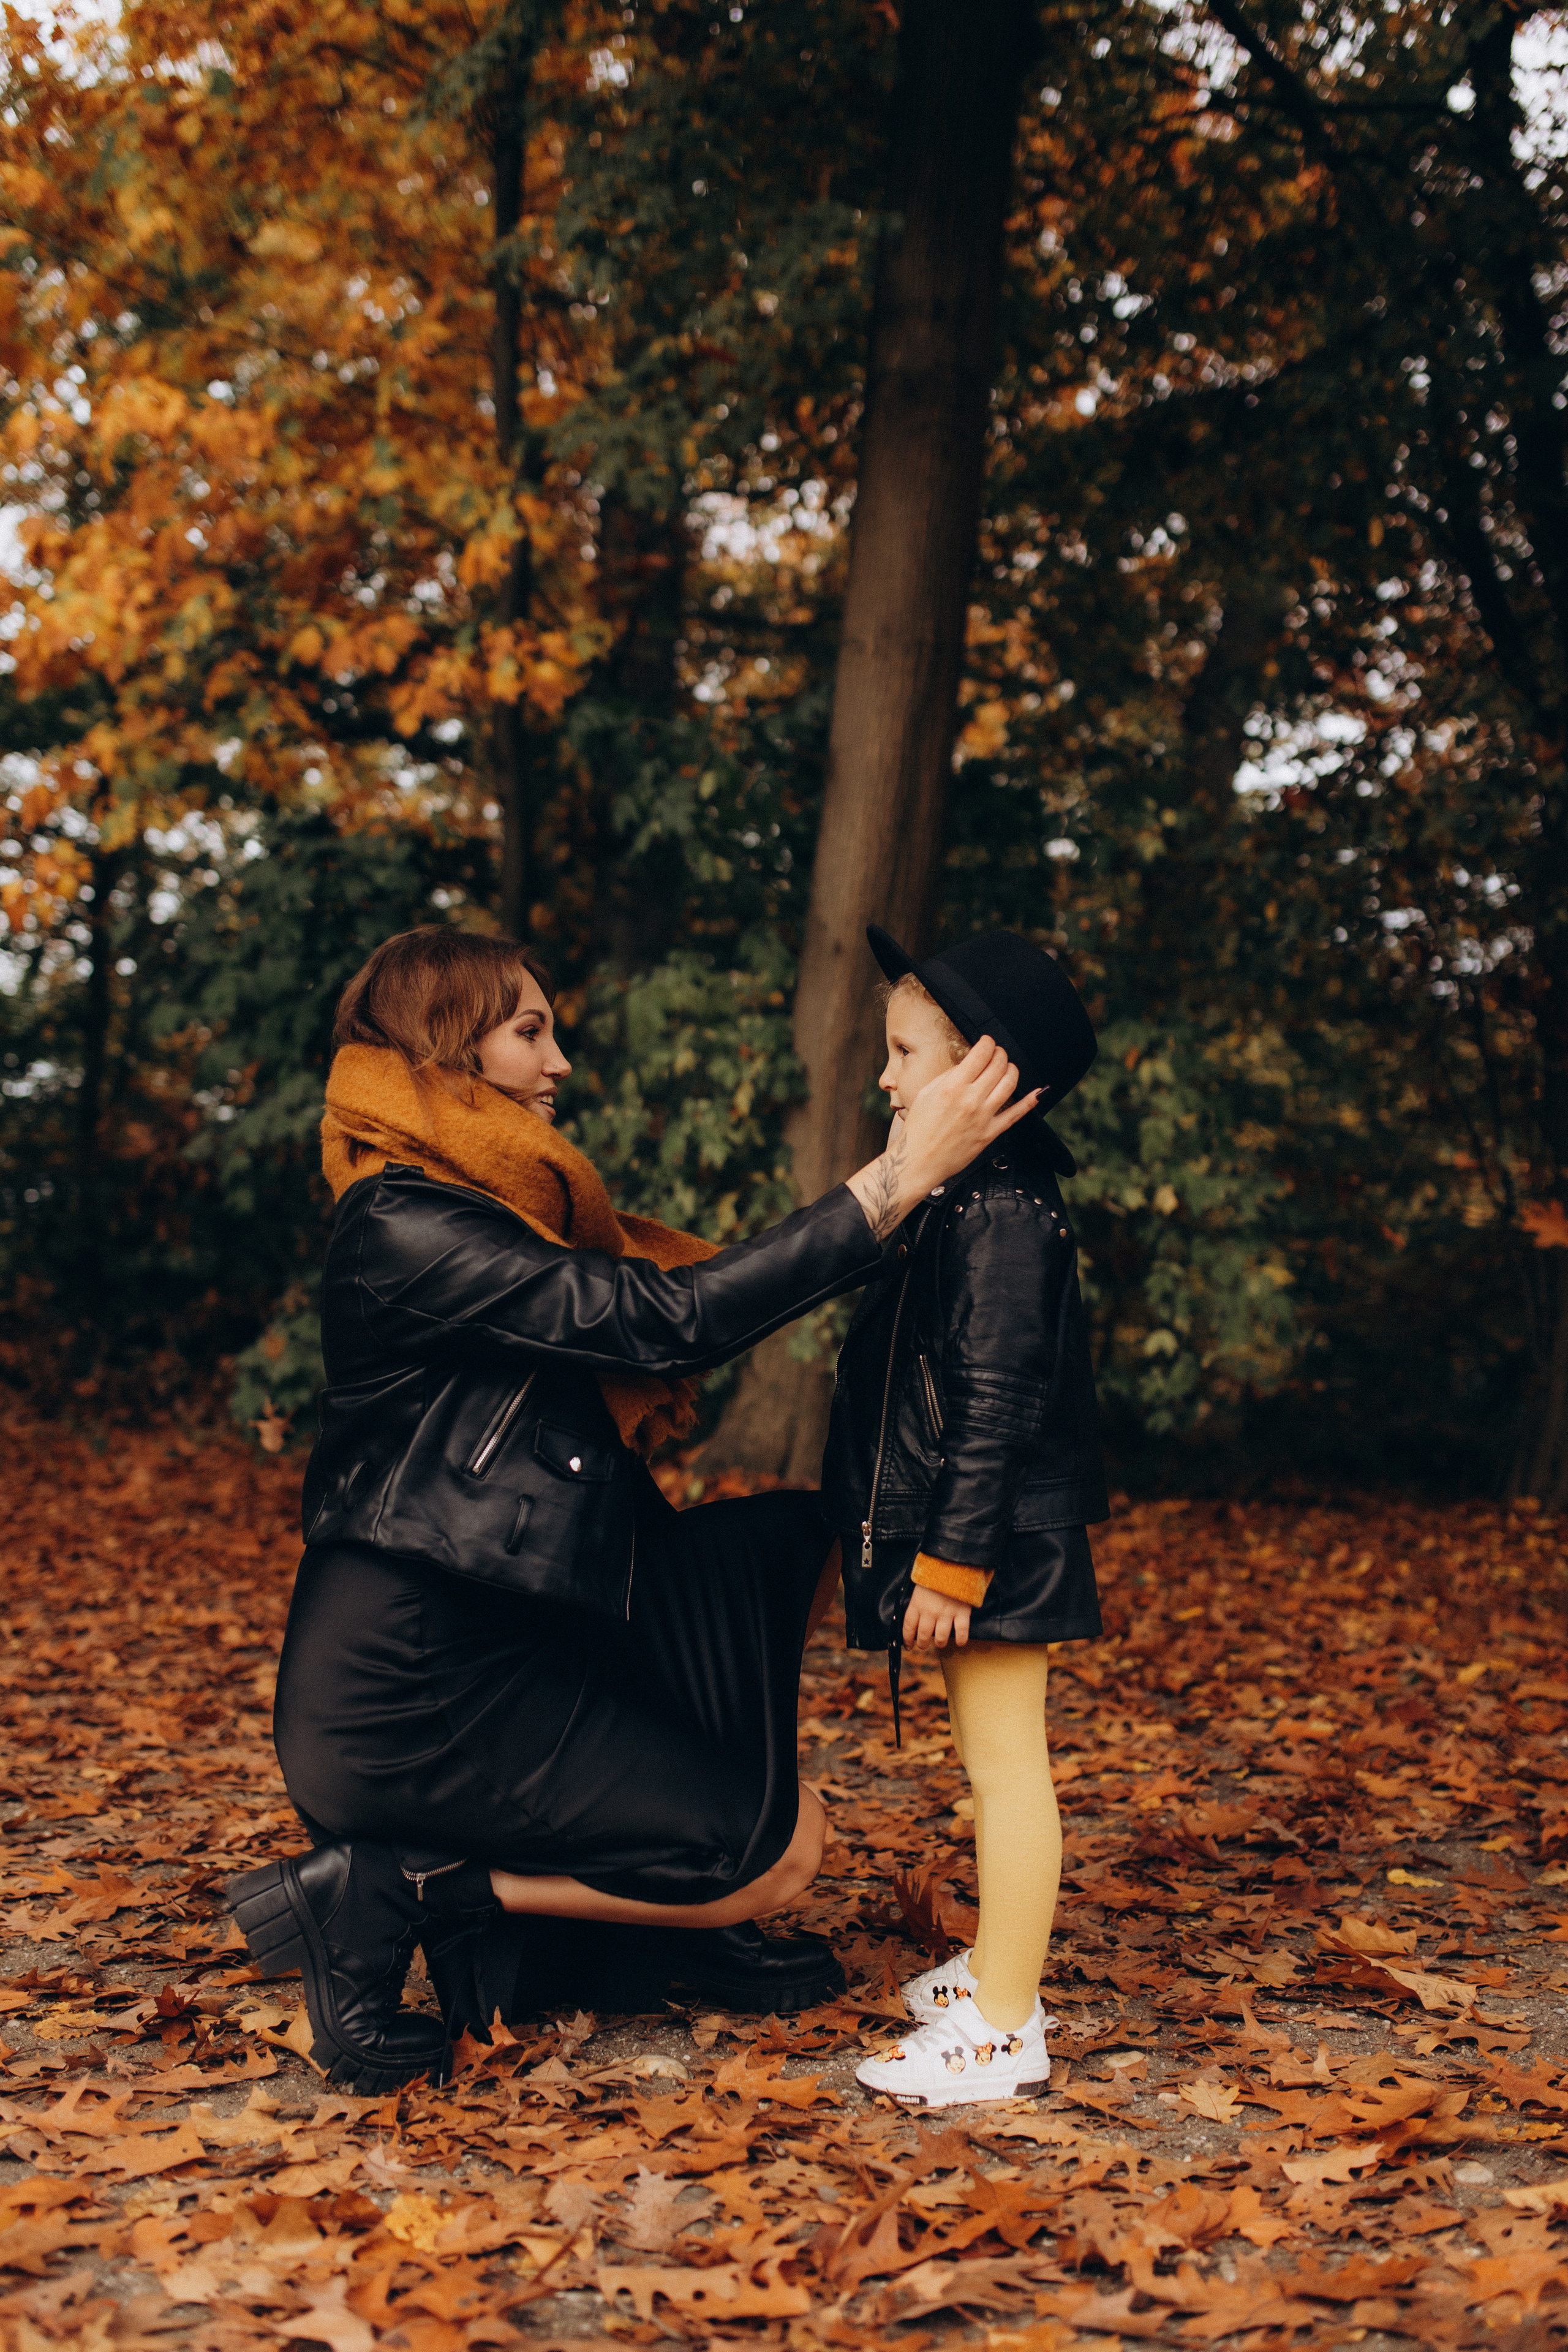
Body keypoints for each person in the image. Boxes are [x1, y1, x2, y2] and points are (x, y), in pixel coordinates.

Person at [226, 926, 1040, 2092]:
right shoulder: (401, 1225)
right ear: (447, 1048)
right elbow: (664, 1320)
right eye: (528, 1031)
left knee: (800, 1540)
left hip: (515, 1633)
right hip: (408, 1692)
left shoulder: (497, 1213)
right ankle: (406, 1886)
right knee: (771, 1854)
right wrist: (892, 1183)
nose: (558, 1062)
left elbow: (656, 1309)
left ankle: (651, 1893)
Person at [820, 927, 1108, 2108]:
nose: (885, 1079)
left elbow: (996, 1406)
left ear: (983, 1072)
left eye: (904, 1054)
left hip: (996, 1542)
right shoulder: (966, 1198)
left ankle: (1003, 2025)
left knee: (1008, 1772)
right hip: (985, 1540)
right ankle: (996, 1970)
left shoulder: (999, 1215)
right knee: (991, 1769)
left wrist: (952, 1561)